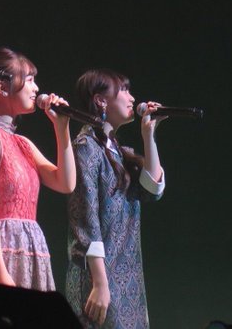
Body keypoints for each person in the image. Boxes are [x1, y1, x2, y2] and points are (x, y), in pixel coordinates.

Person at [0, 47, 75, 291]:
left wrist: (62, 128)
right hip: (3, 249)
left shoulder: (23, 144)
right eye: (30, 80)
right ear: (3, 88)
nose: (36, 88)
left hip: (29, 248)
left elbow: (66, 183)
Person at [65, 69, 166, 328]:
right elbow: (85, 217)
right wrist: (100, 283)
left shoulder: (117, 151)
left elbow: (152, 190)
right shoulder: (86, 147)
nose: (132, 97)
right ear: (101, 100)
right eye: (124, 90)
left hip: (126, 277)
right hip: (98, 277)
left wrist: (149, 135)